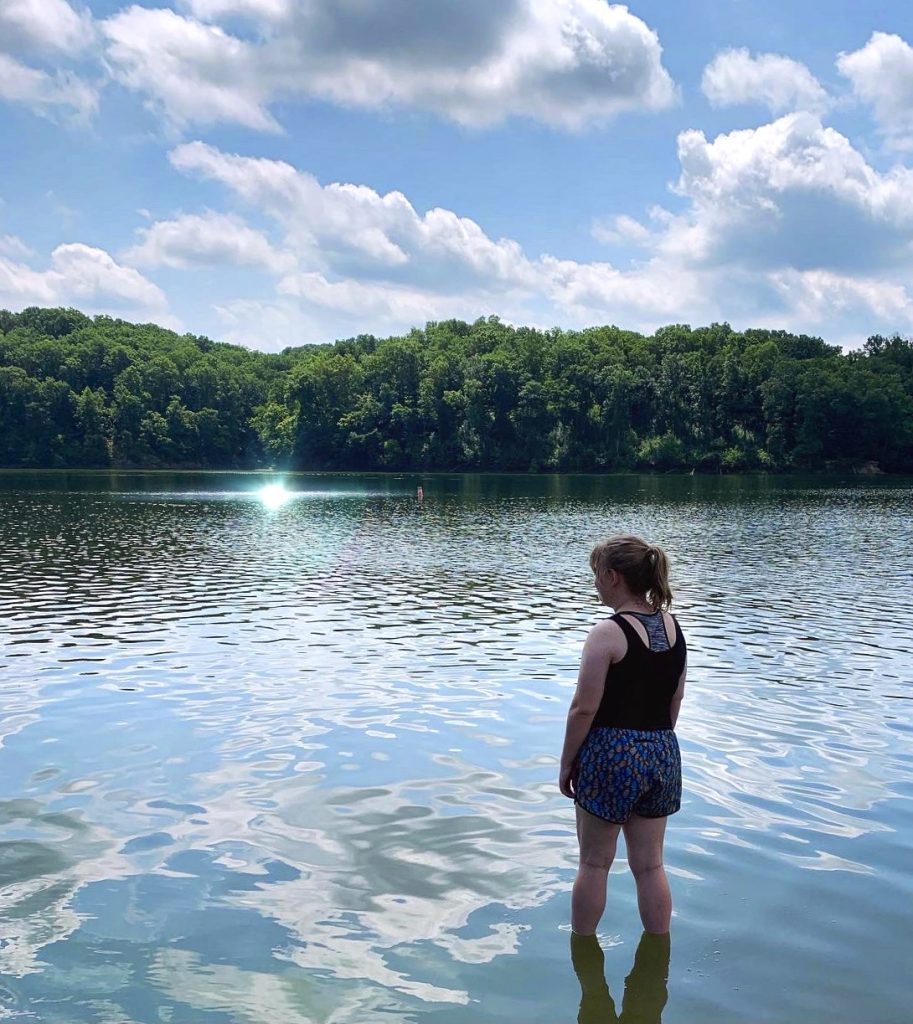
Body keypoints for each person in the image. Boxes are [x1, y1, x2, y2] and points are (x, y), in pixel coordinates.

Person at [559, 534, 687, 936]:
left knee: (594, 863)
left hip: (611, 753)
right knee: (650, 865)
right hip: (663, 750)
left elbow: (584, 707)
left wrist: (567, 763)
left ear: (613, 577)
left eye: (596, 575)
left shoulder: (608, 633)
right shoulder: (673, 626)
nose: (594, 583)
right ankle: (658, 946)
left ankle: (582, 950)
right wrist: (653, 746)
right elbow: (676, 697)